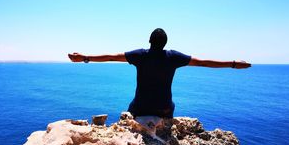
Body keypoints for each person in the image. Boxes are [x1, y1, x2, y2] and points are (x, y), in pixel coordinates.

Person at [68, 28, 251, 119]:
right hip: (164, 108)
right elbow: (203, 62)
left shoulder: (140, 55)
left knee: (129, 112)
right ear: (165, 43)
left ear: (149, 40)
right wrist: (234, 64)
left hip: (140, 107)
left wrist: (85, 57)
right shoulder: (173, 57)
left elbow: (111, 57)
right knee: (169, 106)